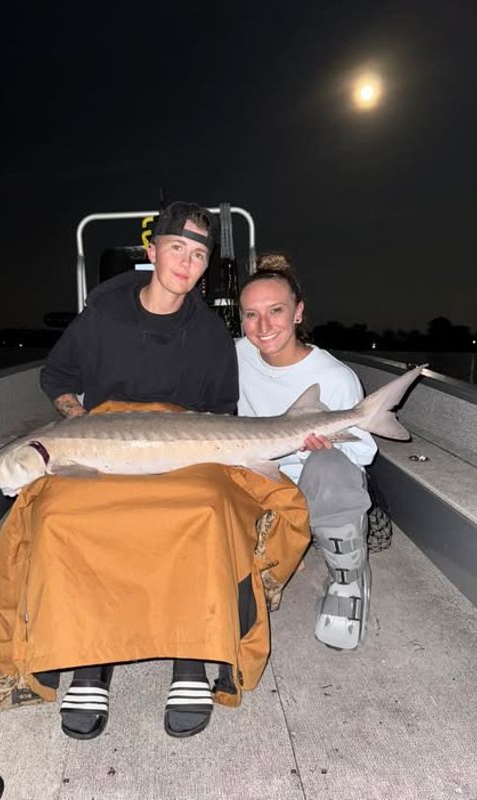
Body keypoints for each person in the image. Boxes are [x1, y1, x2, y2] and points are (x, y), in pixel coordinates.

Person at [38, 201, 239, 739]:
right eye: (177, 248)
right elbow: (57, 377)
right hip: (104, 436)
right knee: (60, 512)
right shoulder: (104, 313)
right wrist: (77, 418)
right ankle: (89, 659)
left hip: (184, 444)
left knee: (206, 508)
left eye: (198, 255)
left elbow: (222, 411)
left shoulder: (211, 334)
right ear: (153, 251)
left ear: (206, 266)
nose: (186, 263)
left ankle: (191, 654)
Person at [236, 253, 377, 650]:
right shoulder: (237, 355)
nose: (263, 326)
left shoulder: (334, 378)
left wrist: (316, 450)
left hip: (312, 489)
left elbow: (362, 454)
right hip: (258, 480)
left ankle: (349, 579)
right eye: (251, 315)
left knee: (330, 464)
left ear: (298, 312)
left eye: (276, 311)